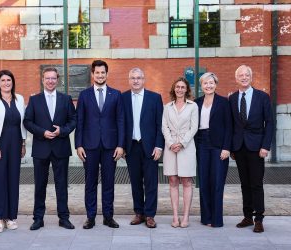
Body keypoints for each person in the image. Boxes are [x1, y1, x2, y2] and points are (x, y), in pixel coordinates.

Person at [24, 67, 76, 230]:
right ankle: (38, 218)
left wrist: (63, 131)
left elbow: (73, 120)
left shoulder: (66, 99)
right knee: (40, 185)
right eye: (47, 78)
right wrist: (43, 132)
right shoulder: (35, 100)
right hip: (41, 148)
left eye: (53, 78)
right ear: (42, 79)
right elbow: (27, 121)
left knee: (62, 185)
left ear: (57, 80)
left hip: (60, 147)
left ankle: (64, 218)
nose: (50, 81)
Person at [75, 60, 125, 229]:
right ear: (92, 74)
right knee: (90, 183)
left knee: (109, 182)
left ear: (107, 74)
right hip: (89, 146)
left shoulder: (116, 94)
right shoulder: (84, 95)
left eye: (103, 72)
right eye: (97, 72)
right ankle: (90, 217)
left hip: (111, 146)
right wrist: (78, 145)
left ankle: (108, 216)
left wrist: (121, 145)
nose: (100, 75)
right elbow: (79, 121)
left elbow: (120, 121)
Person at [229, 65, 273, 233]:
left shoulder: (262, 97)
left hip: (257, 148)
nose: (244, 77)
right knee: (244, 184)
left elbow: (269, 123)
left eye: (247, 75)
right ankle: (247, 216)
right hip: (239, 148)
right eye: (241, 75)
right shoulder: (232, 98)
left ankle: (259, 218)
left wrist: (265, 146)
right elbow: (232, 125)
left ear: (251, 77)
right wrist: (232, 147)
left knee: (256, 184)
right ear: (236, 78)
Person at [0, 70, 27, 233]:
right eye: (3, 80)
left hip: (15, 142)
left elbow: (23, 123)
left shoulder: (20, 98)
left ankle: (10, 217)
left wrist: (23, 144)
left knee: (13, 179)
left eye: (9, 80)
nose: (6, 83)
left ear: (13, 82)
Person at [122, 68, 164, 228]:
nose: (136, 81)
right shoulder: (123, 97)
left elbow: (160, 125)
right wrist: (122, 146)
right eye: (133, 78)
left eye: (139, 78)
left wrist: (159, 146)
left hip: (150, 147)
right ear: (129, 79)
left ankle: (150, 215)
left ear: (144, 79)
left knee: (151, 182)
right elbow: (121, 123)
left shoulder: (154, 98)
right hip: (131, 147)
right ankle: (139, 213)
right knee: (135, 182)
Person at [194, 72, 232, 227]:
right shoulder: (196, 102)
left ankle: (216, 219)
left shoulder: (224, 102)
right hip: (201, 143)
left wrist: (226, 148)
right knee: (204, 181)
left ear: (216, 84)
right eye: (205, 83)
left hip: (218, 145)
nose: (208, 86)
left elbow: (230, 126)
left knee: (217, 182)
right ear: (201, 86)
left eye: (211, 83)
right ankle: (206, 217)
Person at [162, 77, 198, 228]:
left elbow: (194, 127)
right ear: (174, 89)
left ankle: (185, 217)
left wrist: (182, 143)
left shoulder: (193, 106)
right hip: (170, 148)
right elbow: (164, 127)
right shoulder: (167, 107)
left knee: (187, 181)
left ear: (187, 89)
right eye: (177, 87)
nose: (180, 89)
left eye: (183, 87)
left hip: (187, 147)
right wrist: (171, 144)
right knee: (173, 181)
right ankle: (175, 217)